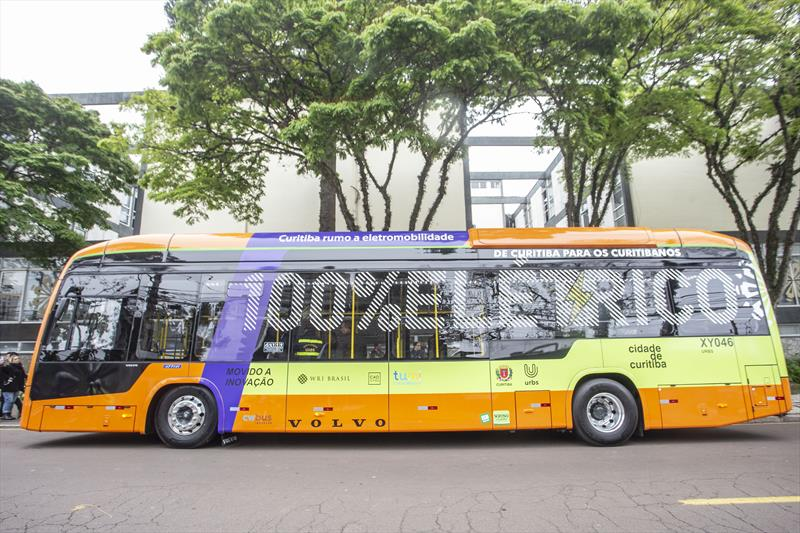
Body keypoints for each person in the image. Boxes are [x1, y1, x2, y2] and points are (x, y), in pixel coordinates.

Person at [1, 352, 26, 420]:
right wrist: (7, 379)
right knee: (9, 400)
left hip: (16, 387)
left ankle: (8, 414)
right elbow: (2, 372)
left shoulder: (20, 367)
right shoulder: (8, 367)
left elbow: (23, 376)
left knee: (12, 401)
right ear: (11, 360)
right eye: (15, 359)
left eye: (18, 358)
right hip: (8, 387)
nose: (17, 360)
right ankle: (6, 414)